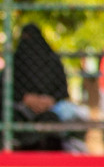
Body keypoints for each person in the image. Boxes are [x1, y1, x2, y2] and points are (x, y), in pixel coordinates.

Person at [10, 23, 71, 151]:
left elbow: (62, 90)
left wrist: (49, 101)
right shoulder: (16, 62)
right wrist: (25, 98)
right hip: (21, 110)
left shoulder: (51, 60)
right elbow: (5, 87)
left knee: (55, 119)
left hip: (50, 110)